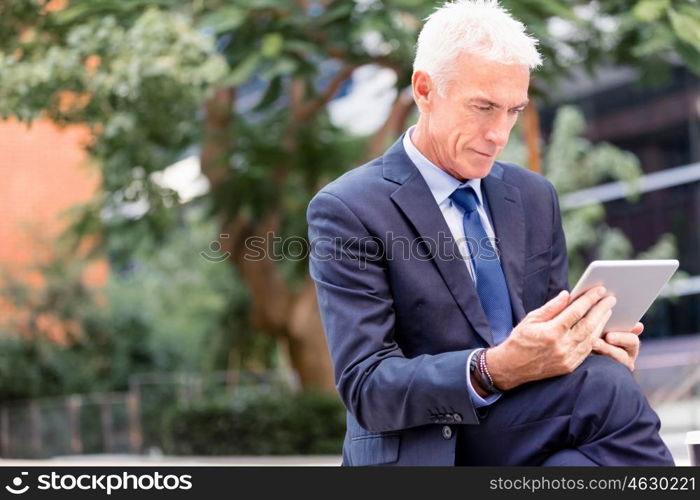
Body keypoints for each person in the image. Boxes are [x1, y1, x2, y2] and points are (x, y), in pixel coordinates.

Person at [306, 0, 674, 466]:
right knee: (604, 389)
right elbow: (367, 387)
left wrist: (583, 343)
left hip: (534, 426)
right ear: (425, 90)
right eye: (482, 108)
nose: (499, 134)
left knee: (596, 405)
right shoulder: (349, 208)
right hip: (430, 443)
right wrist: (492, 369)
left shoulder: (533, 195)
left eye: (513, 110)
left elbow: (550, 329)